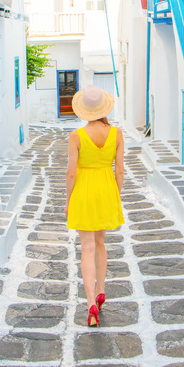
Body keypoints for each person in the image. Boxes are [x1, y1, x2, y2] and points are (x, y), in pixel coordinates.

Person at [65, 85, 124, 327]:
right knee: (101, 244)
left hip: (84, 191)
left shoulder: (76, 136)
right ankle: (101, 289)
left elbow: (70, 173)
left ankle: (90, 302)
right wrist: (115, 195)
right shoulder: (117, 133)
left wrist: (68, 201)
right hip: (106, 189)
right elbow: (120, 169)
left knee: (86, 248)